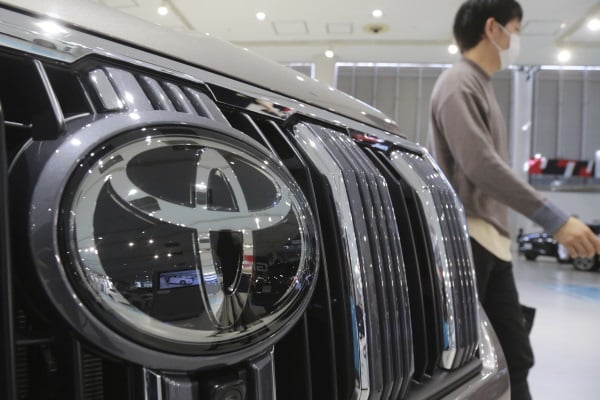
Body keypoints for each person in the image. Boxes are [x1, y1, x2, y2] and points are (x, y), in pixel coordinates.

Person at [426, 1, 600, 399]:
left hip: (492, 244)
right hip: (469, 241)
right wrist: (554, 218)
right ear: (493, 29)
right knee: (464, 364)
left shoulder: (479, 85)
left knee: (515, 357)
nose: (517, 40)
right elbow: (480, 165)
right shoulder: (458, 83)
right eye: (516, 30)